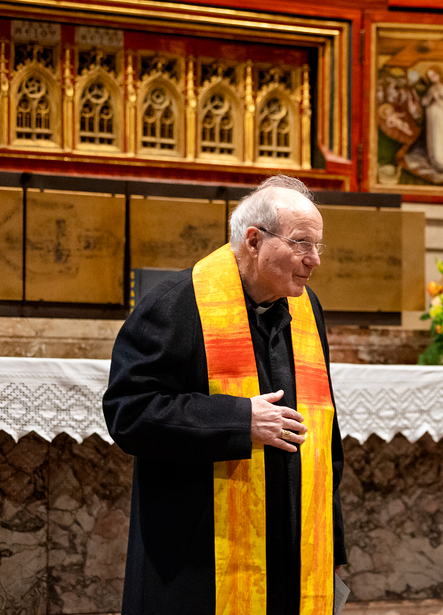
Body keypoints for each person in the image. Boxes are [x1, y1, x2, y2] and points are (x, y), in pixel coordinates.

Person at [103, 175, 346, 615]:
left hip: (291, 552)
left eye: (317, 246)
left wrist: (333, 544)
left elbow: (324, 436)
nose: (314, 260)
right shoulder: (177, 304)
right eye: (301, 244)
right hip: (200, 554)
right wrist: (239, 420)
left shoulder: (306, 308)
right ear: (253, 240)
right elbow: (130, 412)